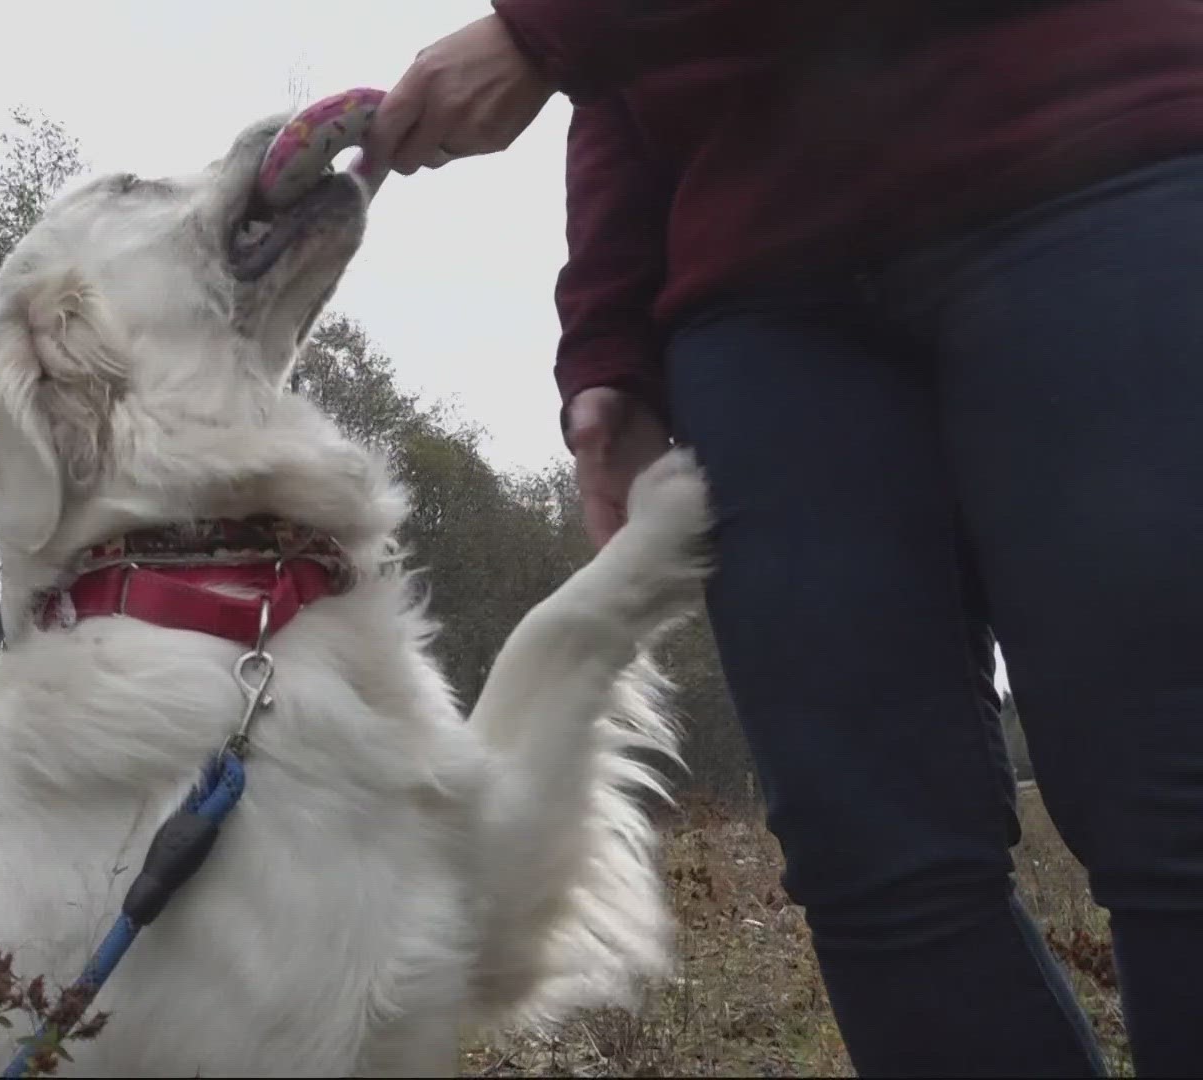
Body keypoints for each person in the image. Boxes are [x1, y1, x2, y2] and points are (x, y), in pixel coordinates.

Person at [359, 2, 1203, 1076]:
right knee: (877, 865)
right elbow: (626, 84)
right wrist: (609, 337)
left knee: (1180, 797)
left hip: (1091, 160)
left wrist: (543, 30)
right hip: (763, 296)